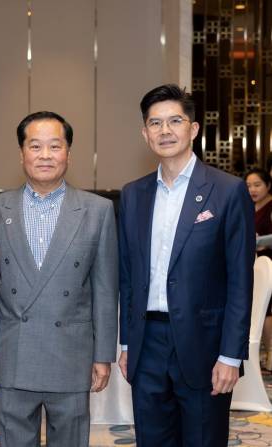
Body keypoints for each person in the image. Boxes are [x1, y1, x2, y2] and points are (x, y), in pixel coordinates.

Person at [118, 84, 255, 446]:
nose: (165, 131)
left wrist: (231, 355)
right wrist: (127, 344)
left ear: (193, 128)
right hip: (147, 345)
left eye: (175, 121)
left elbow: (240, 282)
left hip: (205, 347)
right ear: (145, 134)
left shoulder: (228, 191)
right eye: (155, 123)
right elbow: (128, 276)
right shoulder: (133, 194)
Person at [0, 111, 118, 447]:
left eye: (55, 146)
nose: (45, 155)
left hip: (71, 355)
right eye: (35, 146)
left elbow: (105, 290)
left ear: (68, 154)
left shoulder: (98, 211)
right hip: (14, 352)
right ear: (21, 154)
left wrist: (103, 355)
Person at [245, 167, 272, 369]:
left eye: (257, 185)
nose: (252, 190)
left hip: (269, 262)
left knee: (268, 310)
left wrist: (259, 240)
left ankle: (270, 353)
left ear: (268, 185)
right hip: (256, 263)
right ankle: (266, 354)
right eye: (248, 186)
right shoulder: (249, 207)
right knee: (261, 308)